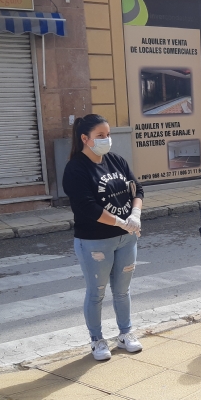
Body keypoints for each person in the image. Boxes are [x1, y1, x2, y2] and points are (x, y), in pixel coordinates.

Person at [63, 114, 145, 362]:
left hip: (126, 239)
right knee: (96, 292)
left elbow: (136, 189)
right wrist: (121, 222)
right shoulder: (76, 168)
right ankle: (97, 339)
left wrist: (136, 214)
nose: (106, 140)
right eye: (100, 136)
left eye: (108, 135)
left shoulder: (116, 161)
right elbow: (87, 207)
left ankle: (125, 333)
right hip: (95, 242)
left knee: (122, 290)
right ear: (85, 139)